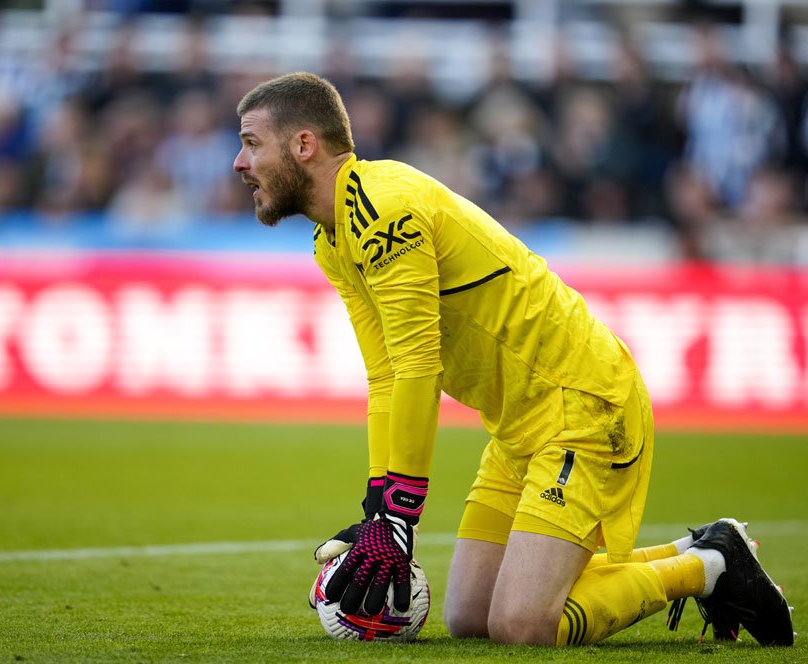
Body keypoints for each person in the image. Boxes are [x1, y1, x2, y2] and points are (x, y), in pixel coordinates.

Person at [231, 72, 796, 647]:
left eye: (252, 142)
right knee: (471, 618)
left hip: (584, 403)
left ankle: (708, 570)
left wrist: (400, 518)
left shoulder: (382, 209)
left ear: (304, 144)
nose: (239, 163)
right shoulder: (335, 241)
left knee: (522, 625)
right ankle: (704, 547)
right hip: (518, 427)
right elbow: (387, 376)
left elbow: (420, 368)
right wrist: (378, 512)